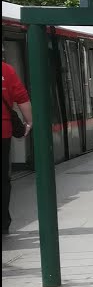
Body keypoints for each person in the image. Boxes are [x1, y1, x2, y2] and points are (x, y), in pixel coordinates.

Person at [2, 58, 33, 235]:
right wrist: (28, 122)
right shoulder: (6, 70)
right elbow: (22, 98)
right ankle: (3, 222)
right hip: (3, 133)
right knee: (2, 180)